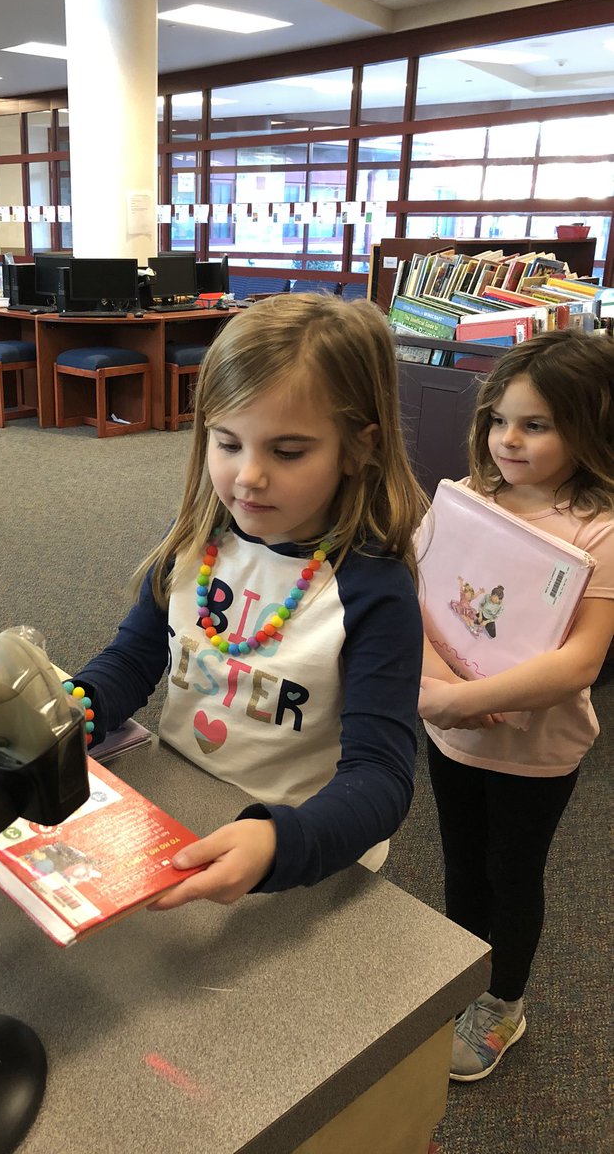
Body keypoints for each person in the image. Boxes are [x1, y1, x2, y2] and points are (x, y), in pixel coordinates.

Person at [66, 292, 427, 911]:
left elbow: (382, 778)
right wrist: (75, 713)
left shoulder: (373, 593)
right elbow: (132, 660)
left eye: (287, 452)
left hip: (304, 852)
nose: (248, 476)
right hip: (179, 808)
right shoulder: (195, 544)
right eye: (228, 443)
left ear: (360, 447)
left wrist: (277, 842)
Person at [418, 331, 614, 1082]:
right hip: (452, 732)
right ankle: (459, 979)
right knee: (462, 863)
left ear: (590, 423)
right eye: (500, 419)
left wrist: (462, 698)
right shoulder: (469, 499)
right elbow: (423, 599)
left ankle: (503, 1002)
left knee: (512, 871)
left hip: (536, 750)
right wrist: (439, 695)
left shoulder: (597, 525)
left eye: (536, 425)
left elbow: (580, 663)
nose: (508, 439)